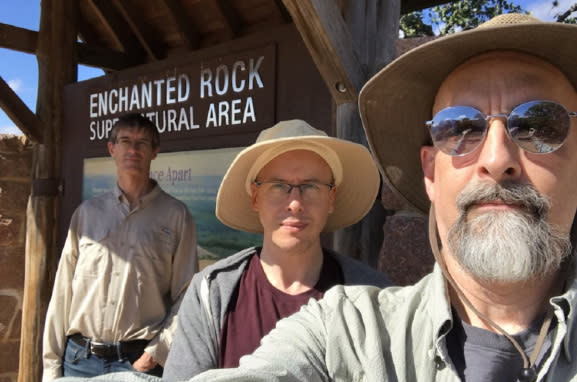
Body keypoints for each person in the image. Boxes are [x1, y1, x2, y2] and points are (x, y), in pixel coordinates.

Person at [170, 13, 576, 381]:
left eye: (540, 125)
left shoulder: (367, 286)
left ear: (331, 199)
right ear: (430, 171)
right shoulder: (345, 328)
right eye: (461, 127)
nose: (497, 158)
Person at [161, 119, 390, 380]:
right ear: (255, 197)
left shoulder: (372, 297)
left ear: (331, 198)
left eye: (311, 186)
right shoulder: (213, 294)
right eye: (279, 186)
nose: (295, 203)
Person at [42, 113, 198, 380]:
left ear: (155, 151)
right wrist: (51, 367)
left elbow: (187, 295)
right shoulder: (87, 214)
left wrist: (156, 352)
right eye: (125, 141)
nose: (133, 149)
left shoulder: (176, 216)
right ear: (112, 148)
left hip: (138, 362)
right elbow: (62, 292)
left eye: (143, 143)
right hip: (79, 361)